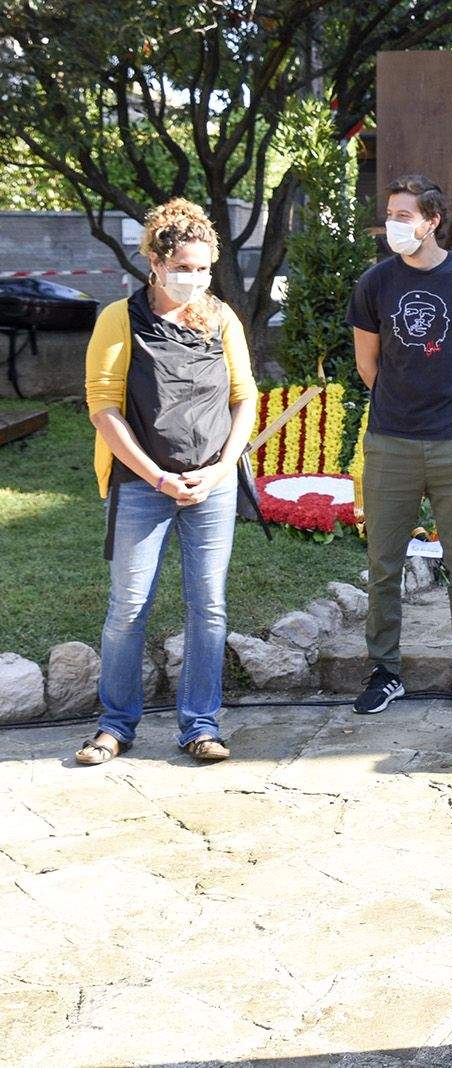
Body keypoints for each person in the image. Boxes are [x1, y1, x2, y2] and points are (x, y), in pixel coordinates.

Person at [77, 198, 260, 765]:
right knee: (129, 607)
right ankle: (115, 725)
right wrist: (156, 476)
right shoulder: (119, 318)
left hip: (211, 485)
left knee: (208, 607)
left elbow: (245, 396)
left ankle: (200, 725)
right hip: (142, 485)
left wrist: (221, 468)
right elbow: (103, 407)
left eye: (203, 268)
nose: (195, 279)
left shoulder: (222, 317)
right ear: (154, 264)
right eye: (184, 267)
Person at [348, 174, 452, 716]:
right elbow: (367, 362)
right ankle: (384, 669)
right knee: (384, 563)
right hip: (389, 442)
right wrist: (399, 400)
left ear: (432, 221)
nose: (393, 224)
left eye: (404, 215)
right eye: (390, 214)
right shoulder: (374, 283)